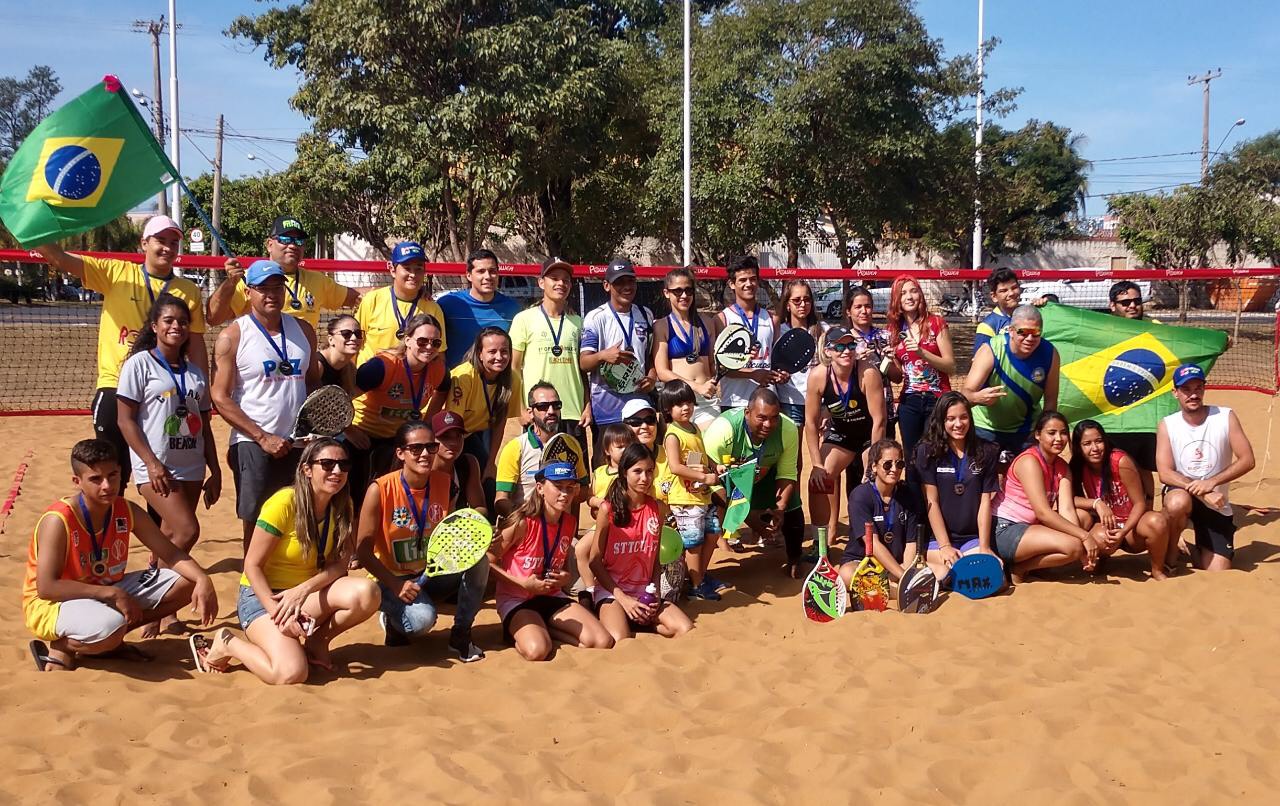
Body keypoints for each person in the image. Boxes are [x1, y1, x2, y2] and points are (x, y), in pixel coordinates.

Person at [34, 215, 208, 488]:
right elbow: (60, 259)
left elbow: (196, 346)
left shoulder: (188, 290)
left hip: (164, 391)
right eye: (160, 240)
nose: (167, 248)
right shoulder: (116, 272)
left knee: (165, 476)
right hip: (116, 386)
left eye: (173, 242)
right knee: (112, 477)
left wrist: (202, 391)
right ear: (144, 243)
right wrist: (32, 229)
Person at [23, 439, 219, 672]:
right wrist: (111, 593)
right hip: (55, 602)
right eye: (96, 479)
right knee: (111, 627)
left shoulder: (125, 509)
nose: (107, 486)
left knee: (188, 582)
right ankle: (64, 645)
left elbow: (170, 553)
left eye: (112, 475)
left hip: (105, 590)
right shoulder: (59, 520)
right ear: (77, 482)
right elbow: (46, 588)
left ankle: (106, 641)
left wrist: (203, 578)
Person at [193, 439, 380, 683]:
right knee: (291, 673)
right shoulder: (284, 502)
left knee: (368, 593)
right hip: (264, 597)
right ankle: (228, 643)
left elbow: (341, 564)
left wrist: (303, 589)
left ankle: (317, 642)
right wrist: (278, 613)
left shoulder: (343, 504)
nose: (337, 471)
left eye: (343, 465)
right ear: (307, 469)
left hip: (304, 594)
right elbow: (252, 565)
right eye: (327, 464)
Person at [116, 294, 220, 637]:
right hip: (156, 466)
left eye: (183, 321)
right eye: (169, 321)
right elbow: (125, 420)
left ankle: (167, 611)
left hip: (191, 464)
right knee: (187, 530)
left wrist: (216, 470)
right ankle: (156, 608)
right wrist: (151, 463)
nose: (177, 326)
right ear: (154, 326)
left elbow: (204, 426)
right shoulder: (139, 364)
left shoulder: (195, 373)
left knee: (171, 537)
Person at [357, 420, 488, 661]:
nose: (425, 454)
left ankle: (461, 633)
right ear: (400, 453)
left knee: (480, 560)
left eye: (430, 447)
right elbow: (362, 551)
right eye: (416, 448)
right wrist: (395, 585)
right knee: (421, 622)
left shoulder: (444, 484)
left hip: (429, 573)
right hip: (391, 579)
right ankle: (392, 617)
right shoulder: (380, 489)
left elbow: (445, 535)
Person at [210, 260, 319, 550]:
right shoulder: (233, 336)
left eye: (277, 287)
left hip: (297, 442)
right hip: (252, 442)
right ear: (248, 292)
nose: (271, 294)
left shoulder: (304, 330)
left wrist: (313, 428)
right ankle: (251, 577)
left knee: (297, 514)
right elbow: (219, 396)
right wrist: (262, 437)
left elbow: (313, 384)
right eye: (263, 288)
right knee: (256, 520)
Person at [490, 461, 614, 661]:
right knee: (537, 651)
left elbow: (560, 565)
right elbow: (488, 562)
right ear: (540, 488)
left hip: (551, 595)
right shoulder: (522, 522)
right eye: (558, 486)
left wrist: (565, 577)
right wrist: (523, 583)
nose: (564, 494)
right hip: (517, 599)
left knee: (602, 641)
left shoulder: (569, 522)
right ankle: (525, 632)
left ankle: (544, 627)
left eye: (570, 488)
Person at [589, 443, 695, 641]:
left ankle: (639, 622)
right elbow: (594, 560)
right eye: (637, 471)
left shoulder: (658, 508)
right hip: (613, 592)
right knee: (620, 639)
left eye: (649, 471)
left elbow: (654, 558)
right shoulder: (608, 509)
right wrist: (623, 599)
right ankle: (613, 615)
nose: (645, 478)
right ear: (624, 472)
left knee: (685, 629)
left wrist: (655, 594)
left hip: (644, 593)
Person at [1157, 365, 1255, 572]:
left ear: (1204, 389)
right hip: (1183, 494)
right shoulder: (1168, 424)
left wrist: (1211, 483)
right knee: (1177, 503)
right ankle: (1171, 551)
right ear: (1175, 392)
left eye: (1198, 388)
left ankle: (1190, 547)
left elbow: (1247, 460)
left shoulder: (1225, 416)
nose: (1193, 395)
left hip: (1215, 501)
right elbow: (1164, 473)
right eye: (1186, 389)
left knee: (1218, 570)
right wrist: (1202, 491)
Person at [993, 411, 1106, 582]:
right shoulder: (1029, 461)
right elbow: (1043, 513)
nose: (1059, 439)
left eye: (1063, 433)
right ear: (1038, 435)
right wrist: (1084, 537)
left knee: (1083, 517)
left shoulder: (1062, 466)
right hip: (1006, 528)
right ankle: (1018, 568)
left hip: (1031, 526)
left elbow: (1067, 509)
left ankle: (1034, 565)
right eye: (1051, 433)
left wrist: (1080, 539)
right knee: (1074, 546)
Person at [702, 388, 804, 576]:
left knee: (792, 504)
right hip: (727, 482)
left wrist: (780, 509)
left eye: (774, 418)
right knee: (704, 508)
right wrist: (748, 517)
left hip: (765, 474)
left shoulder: (788, 428)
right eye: (762, 418)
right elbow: (710, 480)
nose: (768, 424)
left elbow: (788, 473)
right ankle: (698, 574)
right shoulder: (723, 429)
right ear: (747, 413)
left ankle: (795, 558)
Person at [349, 312, 451, 496]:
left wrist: (426, 423)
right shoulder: (382, 366)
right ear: (408, 340)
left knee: (395, 491)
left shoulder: (438, 369)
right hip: (363, 434)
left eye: (436, 343)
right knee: (358, 492)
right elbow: (341, 399)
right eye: (422, 341)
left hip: (397, 439)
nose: (429, 347)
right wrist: (349, 430)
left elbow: (442, 391)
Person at [805, 327, 887, 544]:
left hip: (869, 435)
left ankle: (877, 538)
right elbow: (811, 423)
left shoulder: (868, 373)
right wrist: (816, 464)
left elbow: (879, 421)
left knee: (875, 478)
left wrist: (873, 462)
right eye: (839, 346)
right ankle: (821, 543)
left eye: (851, 345)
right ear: (828, 351)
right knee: (819, 481)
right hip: (842, 434)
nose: (846, 351)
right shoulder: (818, 376)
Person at [206, 216, 359, 329]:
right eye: (285, 239)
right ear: (269, 244)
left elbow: (357, 297)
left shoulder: (318, 280)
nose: (293, 245)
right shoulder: (248, 278)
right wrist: (230, 283)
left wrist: (373, 293)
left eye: (299, 241)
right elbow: (213, 318)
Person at [510, 257, 591, 461]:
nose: (560, 283)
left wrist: (587, 405)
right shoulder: (524, 319)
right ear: (541, 282)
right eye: (554, 278)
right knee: (537, 472)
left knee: (575, 475)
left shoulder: (578, 322)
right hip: (539, 411)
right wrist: (521, 409)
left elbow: (582, 369)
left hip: (572, 413)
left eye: (566, 280)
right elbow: (514, 367)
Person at [1070, 419, 1172, 581]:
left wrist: (1124, 531)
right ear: (1078, 447)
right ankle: (1101, 559)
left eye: (1099, 441)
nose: (1095, 448)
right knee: (1094, 536)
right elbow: (1070, 500)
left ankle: (1157, 569)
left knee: (1157, 521)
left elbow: (1139, 503)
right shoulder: (1077, 465)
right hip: (1107, 525)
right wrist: (1096, 503)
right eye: (1087, 444)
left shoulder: (1120, 461)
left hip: (1133, 527)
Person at [914, 392, 1001, 578]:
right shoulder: (927, 452)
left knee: (991, 575)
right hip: (938, 540)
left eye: (963, 417)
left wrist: (984, 547)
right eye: (951, 419)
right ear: (941, 421)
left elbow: (985, 502)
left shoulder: (986, 451)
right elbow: (931, 502)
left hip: (972, 539)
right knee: (947, 572)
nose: (958, 424)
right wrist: (945, 546)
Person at [581, 257, 657, 463]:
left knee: (640, 465)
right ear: (607, 285)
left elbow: (651, 357)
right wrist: (603, 356)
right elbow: (584, 362)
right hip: (607, 409)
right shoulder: (596, 317)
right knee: (606, 466)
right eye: (619, 282)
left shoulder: (645, 315)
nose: (626, 287)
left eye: (630, 281)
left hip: (639, 407)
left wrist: (651, 378)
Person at [963, 305, 1059, 460]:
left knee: (1028, 472)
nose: (1030, 338)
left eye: (1036, 333)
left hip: (1026, 429)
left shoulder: (1050, 353)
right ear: (1011, 331)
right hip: (986, 427)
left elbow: (1051, 400)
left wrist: (1044, 431)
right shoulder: (991, 349)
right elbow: (964, 394)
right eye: (1023, 332)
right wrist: (977, 398)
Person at [660, 380, 726, 600]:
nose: (686, 407)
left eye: (688, 402)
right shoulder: (672, 435)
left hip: (701, 495)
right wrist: (704, 477)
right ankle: (696, 586)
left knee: (713, 533)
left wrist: (714, 466)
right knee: (694, 544)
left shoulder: (694, 427)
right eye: (679, 404)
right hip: (685, 499)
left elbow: (700, 456)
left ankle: (701, 576)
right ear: (668, 409)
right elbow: (675, 467)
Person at [447, 326, 520, 510]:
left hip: (470, 434)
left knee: (487, 478)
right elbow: (451, 426)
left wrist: (491, 463)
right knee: (456, 481)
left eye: (504, 351)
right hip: (445, 436)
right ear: (479, 353)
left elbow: (500, 422)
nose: (499, 357)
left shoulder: (512, 379)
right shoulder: (464, 376)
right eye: (492, 351)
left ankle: (486, 520)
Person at [494, 382, 590, 518]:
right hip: (526, 525)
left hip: (559, 528)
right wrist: (526, 520)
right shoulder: (515, 448)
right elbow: (501, 500)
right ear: (530, 413)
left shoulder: (571, 444)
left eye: (556, 405)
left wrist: (572, 491)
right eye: (543, 407)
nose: (551, 411)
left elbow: (583, 490)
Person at [886, 275, 954, 457]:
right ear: (896, 300)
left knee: (934, 455)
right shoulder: (893, 331)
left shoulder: (936, 323)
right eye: (903, 293)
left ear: (920, 295)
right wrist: (887, 361)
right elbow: (898, 378)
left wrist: (922, 353)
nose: (909, 297)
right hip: (909, 401)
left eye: (913, 291)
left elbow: (950, 366)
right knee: (912, 457)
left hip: (937, 398)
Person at [839, 439, 921, 586]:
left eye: (899, 464)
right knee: (846, 574)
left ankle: (885, 587)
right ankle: (895, 587)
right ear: (874, 467)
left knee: (941, 570)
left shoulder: (908, 495)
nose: (894, 469)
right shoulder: (860, 496)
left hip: (898, 564)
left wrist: (906, 571)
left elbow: (911, 543)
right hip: (865, 563)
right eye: (887, 464)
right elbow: (873, 543)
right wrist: (904, 577)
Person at [1105, 280, 1159, 500]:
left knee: (1144, 467)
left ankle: (1148, 512)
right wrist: (1043, 305)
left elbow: (1184, 344)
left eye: (1137, 301)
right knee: (1114, 465)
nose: (1132, 306)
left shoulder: (1156, 327)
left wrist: (1219, 342)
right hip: (1112, 412)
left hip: (1145, 413)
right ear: (1112, 305)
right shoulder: (1101, 329)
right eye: (1125, 302)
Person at [355, 241, 449, 365]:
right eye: (407, 268)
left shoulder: (432, 308)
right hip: (371, 375)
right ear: (392, 270)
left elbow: (439, 355)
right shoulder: (372, 300)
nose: (413, 274)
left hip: (411, 376)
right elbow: (354, 343)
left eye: (418, 269)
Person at [652, 267, 720, 429]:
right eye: (678, 291)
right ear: (666, 293)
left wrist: (717, 385)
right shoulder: (661, 326)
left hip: (706, 401)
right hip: (677, 401)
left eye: (688, 290)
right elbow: (662, 372)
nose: (684, 296)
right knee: (682, 444)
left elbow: (713, 363)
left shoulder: (707, 322)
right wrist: (697, 387)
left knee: (709, 443)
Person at [717, 255, 786, 410]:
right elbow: (720, 367)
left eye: (753, 279)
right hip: (734, 401)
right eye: (742, 280)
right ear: (732, 284)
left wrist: (781, 375)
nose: (749, 284)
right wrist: (752, 374)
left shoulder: (772, 319)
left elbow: (776, 361)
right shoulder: (722, 319)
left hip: (766, 403)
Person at [437, 248, 523, 368]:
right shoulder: (447, 304)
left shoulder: (513, 309)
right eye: (481, 271)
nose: (488, 276)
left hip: (496, 379)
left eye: (492, 271)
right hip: (455, 378)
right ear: (469, 275)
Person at [773, 279, 828, 455]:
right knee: (792, 458)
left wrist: (828, 406)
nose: (802, 304)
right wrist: (778, 377)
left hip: (819, 402)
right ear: (787, 305)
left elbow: (831, 368)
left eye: (807, 299)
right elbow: (772, 367)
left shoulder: (822, 330)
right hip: (790, 402)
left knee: (825, 457)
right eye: (796, 300)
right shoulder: (778, 331)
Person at [846, 285, 897, 439]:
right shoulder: (844, 340)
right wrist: (854, 362)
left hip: (884, 407)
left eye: (867, 306)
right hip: (855, 410)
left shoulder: (885, 336)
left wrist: (888, 360)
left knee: (884, 450)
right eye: (858, 307)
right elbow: (836, 376)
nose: (864, 311)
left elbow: (897, 378)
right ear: (848, 311)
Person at [431, 410, 488, 517]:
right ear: (431, 440)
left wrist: (463, 518)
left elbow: (480, 507)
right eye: (445, 436)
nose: (453, 442)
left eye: (458, 436)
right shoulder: (423, 467)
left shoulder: (468, 463)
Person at [972, 268, 1023, 355]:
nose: (1011, 293)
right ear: (994, 296)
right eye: (1004, 291)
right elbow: (979, 359)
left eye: (1014, 288)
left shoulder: (1030, 316)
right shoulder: (988, 326)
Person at [318, 314, 364, 394]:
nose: (354, 338)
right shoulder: (317, 366)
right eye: (346, 333)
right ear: (331, 339)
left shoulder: (350, 368)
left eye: (358, 333)